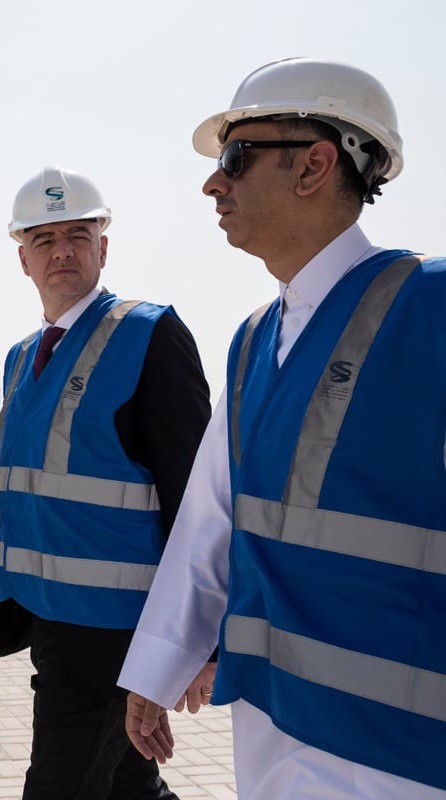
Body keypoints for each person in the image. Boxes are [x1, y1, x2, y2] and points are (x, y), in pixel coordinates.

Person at [118, 58, 446, 799]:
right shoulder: (253, 339)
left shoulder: (433, 305)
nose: (213, 184)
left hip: (400, 751)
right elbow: (210, 520)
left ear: (315, 166)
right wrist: (156, 671)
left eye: (236, 157)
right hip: (273, 725)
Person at [0, 166, 211, 799]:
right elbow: (18, 487)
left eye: (76, 233)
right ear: (23, 259)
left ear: (104, 246)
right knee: (128, 783)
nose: (61, 250)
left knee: (60, 786)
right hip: (47, 615)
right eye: (43, 239)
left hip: (115, 626)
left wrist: (203, 637)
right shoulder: (20, 358)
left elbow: (198, 501)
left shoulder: (149, 335)